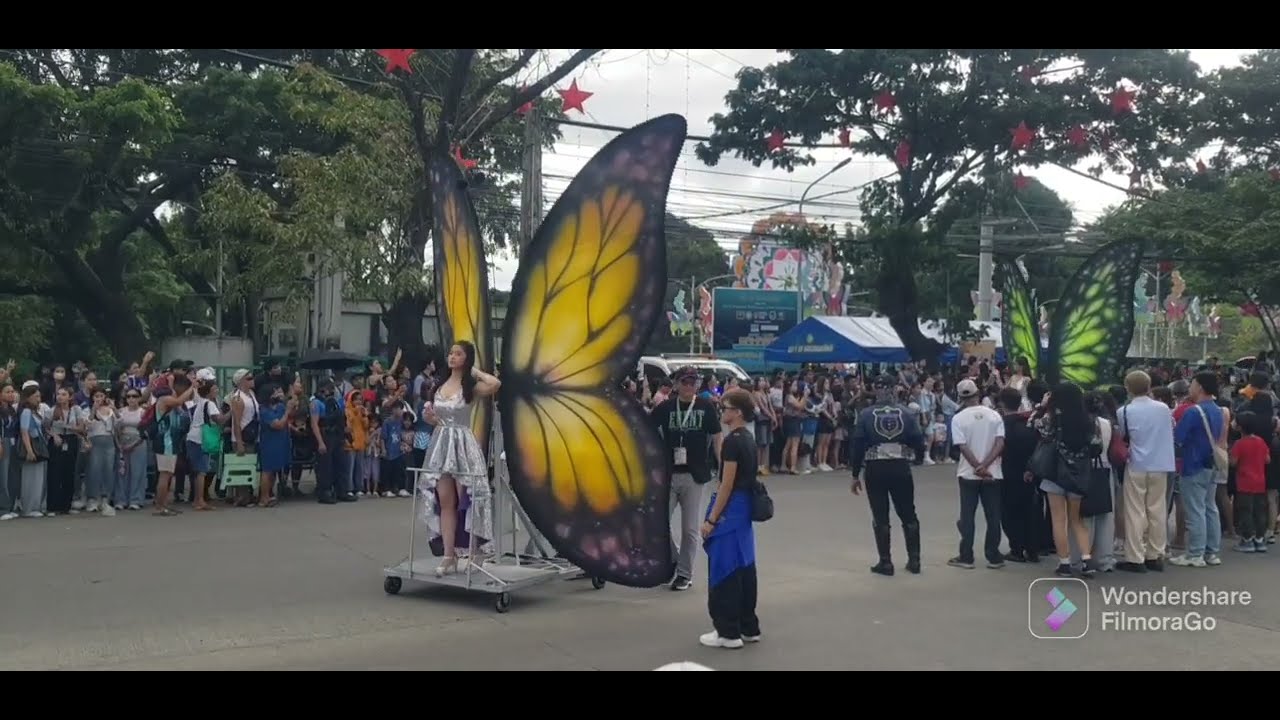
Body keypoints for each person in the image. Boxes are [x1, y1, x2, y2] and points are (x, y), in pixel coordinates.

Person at [421, 340, 501, 577]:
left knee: (467, 498)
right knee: (445, 500)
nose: (452, 357)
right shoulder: (439, 385)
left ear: (466, 358)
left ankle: (475, 552)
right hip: (441, 443)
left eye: (458, 354)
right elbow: (434, 418)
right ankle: (448, 555)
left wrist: (474, 371)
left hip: (463, 444)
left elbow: (495, 383)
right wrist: (430, 419)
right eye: (451, 353)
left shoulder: (470, 387)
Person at [699, 388, 761, 650]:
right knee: (745, 565)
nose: (722, 412)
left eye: (725, 408)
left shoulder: (732, 442)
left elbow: (726, 484)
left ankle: (727, 631)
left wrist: (712, 519)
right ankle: (748, 625)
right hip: (744, 509)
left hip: (730, 510)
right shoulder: (748, 438)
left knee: (724, 568)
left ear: (736, 412)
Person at [651, 365, 722, 591]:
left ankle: (685, 573)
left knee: (690, 529)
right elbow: (647, 431)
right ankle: (673, 560)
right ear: (676, 384)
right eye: (685, 382)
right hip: (669, 474)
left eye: (693, 382)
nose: (689, 386)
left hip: (695, 475)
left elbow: (717, 436)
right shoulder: (665, 408)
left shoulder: (705, 407)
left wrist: (722, 465)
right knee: (658, 523)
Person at [849, 374, 926, 576]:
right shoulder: (906, 413)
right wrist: (916, 457)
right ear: (895, 389)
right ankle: (914, 559)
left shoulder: (866, 414)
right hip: (900, 465)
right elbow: (918, 439)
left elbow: (857, 445)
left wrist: (855, 473)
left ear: (876, 390)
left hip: (875, 466)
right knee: (908, 513)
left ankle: (886, 562)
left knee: (880, 516)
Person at [1115, 370, 1176, 573]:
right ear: (1149, 387)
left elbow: (1124, 436)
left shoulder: (1124, 411)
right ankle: (1155, 554)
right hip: (1161, 463)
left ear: (1128, 388)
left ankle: (1135, 556)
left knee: (1135, 511)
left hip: (1136, 463)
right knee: (1157, 509)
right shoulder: (1164, 409)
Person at [949, 379, 1007, 570]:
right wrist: (986, 465)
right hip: (993, 473)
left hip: (968, 473)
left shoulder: (958, 418)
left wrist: (976, 466)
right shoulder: (994, 416)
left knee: (967, 515)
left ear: (960, 397)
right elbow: (1000, 443)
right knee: (993, 515)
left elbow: (962, 446)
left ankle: (966, 555)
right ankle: (993, 555)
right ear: (978, 393)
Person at [1170, 371, 1225, 568]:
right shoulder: (1218, 410)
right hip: (1211, 464)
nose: (1190, 387)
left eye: (1192, 384)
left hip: (1193, 464)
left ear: (1200, 387)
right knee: (1210, 508)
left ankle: (1195, 553)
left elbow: (1178, 436)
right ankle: (1212, 551)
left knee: (1195, 510)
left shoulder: (1194, 411)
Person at [997, 387, 1040, 563]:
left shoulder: (1001, 425)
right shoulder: (1028, 424)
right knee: (1029, 511)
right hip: (1028, 472)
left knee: (1009, 512)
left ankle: (1017, 548)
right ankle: (1032, 549)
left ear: (1001, 404)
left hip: (1007, 472)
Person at [1230, 411, 1270, 553]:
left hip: (1244, 483)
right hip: (1260, 482)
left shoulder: (1239, 444)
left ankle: (1247, 539)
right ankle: (1259, 539)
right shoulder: (1261, 441)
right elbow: (1267, 459)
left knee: (1246, 511)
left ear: (1240, 427)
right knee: (1260, 511)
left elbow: (1233, 462)